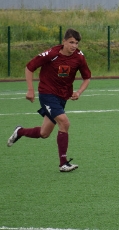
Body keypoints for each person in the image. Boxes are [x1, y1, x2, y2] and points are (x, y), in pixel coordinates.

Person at [7, 29, 91, 172]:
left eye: (76, 43)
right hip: (47, 94)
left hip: (62, 97)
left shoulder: (79, 57)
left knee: (44, 133)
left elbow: (87, 77)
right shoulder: (52, 54)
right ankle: (63, 163)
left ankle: (20, 131)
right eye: (71, 42)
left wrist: (78, 92)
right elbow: (29, 67)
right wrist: (30, 89)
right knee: (64, 123)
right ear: (63, 41)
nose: (74, 46)